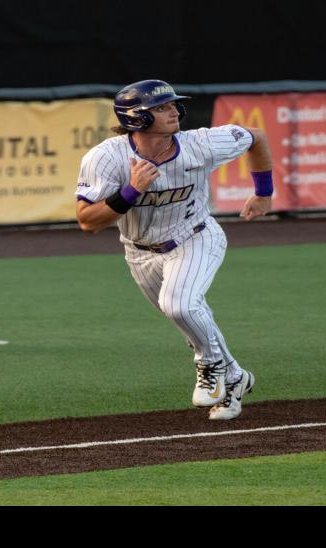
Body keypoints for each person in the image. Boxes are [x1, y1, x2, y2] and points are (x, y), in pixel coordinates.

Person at [75, 79, 274, 421]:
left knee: (179, 304)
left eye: (172, 105)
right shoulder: (105, 158)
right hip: (139, 252)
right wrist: (131, 191)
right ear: (137, 118)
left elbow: (257, 137)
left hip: (196, 235)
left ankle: (209, 365)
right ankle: (236, 377)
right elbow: (88, 221)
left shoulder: (200, 143)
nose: (173, 111)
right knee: (189, 316)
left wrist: (264, 192)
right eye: (162, 107)